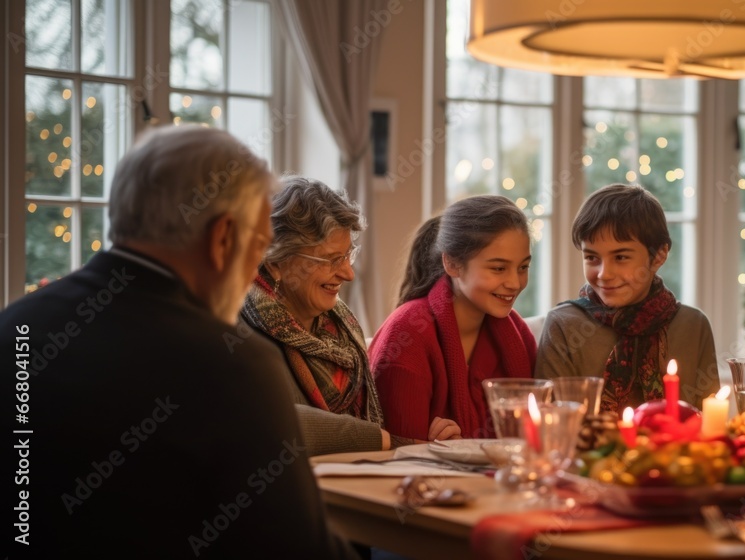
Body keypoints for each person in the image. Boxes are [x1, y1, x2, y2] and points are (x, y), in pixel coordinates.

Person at [0, 125, 356, 558]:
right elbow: (298, 548)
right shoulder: (233, 363)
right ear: (223, 238)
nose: (255, 275)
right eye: (258, 247)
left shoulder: (15, 326)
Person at [240, 176, 460, 454]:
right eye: (331, 260)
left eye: (347, 256)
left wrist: (427, 434)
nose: (348, 273)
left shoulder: (341, 328)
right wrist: (393, 442)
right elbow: (271, 421)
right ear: (275, 262)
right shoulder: (237, 333)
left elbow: (380, 427)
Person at [535, 184, 720, 412]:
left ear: (659, 255)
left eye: (621, 257)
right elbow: (553, 425)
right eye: (592, 257)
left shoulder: (693, 326)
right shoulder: (563, 325)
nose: (605, 274)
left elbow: (710, 423)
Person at [370, 195, 537, 440]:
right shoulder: (407, 336)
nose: (514, 283)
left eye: (523, 267)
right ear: (452, 264)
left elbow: (537, 441)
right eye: (498, 268)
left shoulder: (519, 335)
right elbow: (400, 457)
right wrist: (436, 451)